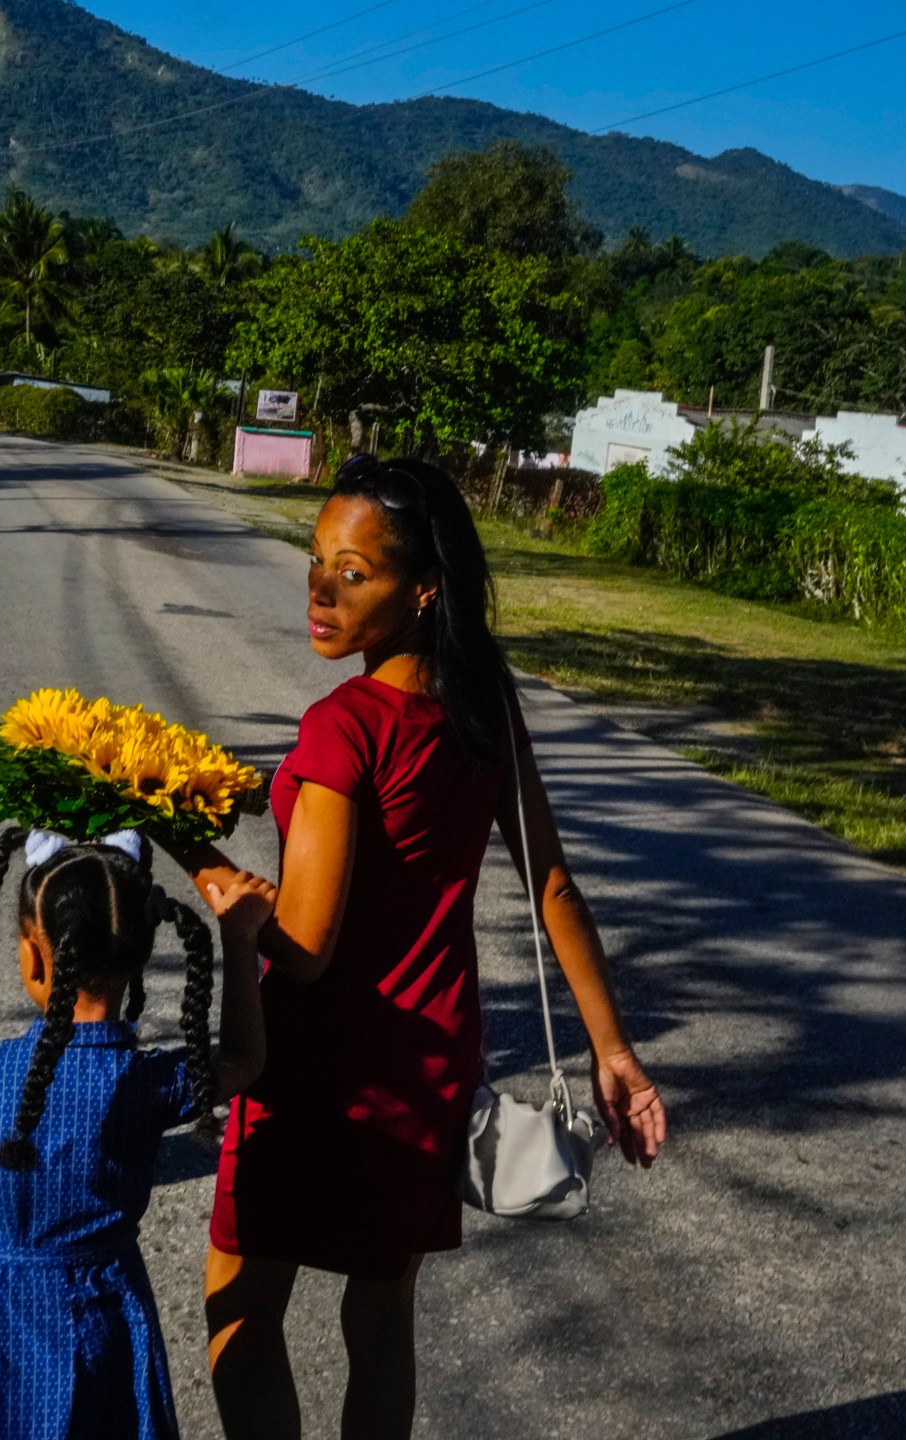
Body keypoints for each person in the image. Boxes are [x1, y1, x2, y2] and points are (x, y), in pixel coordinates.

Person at [171, 455, 669, 1439]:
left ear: (423, 588)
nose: (319, 588)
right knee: (380, 1309)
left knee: (242, 1305)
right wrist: (615, 1054)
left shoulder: (343, 727)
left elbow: (305, 948)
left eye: (354, 572)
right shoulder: (482, 708)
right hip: (431, 1056)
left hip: (312, 1059)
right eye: (316, 559)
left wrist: (174, 834)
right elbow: (553, 883)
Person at [0, 833, 274, 1440]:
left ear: (34, 959)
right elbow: (244, 1059)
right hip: (105, 1310)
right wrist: (238, 934)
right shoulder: (149, 1081)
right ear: (137, 958)